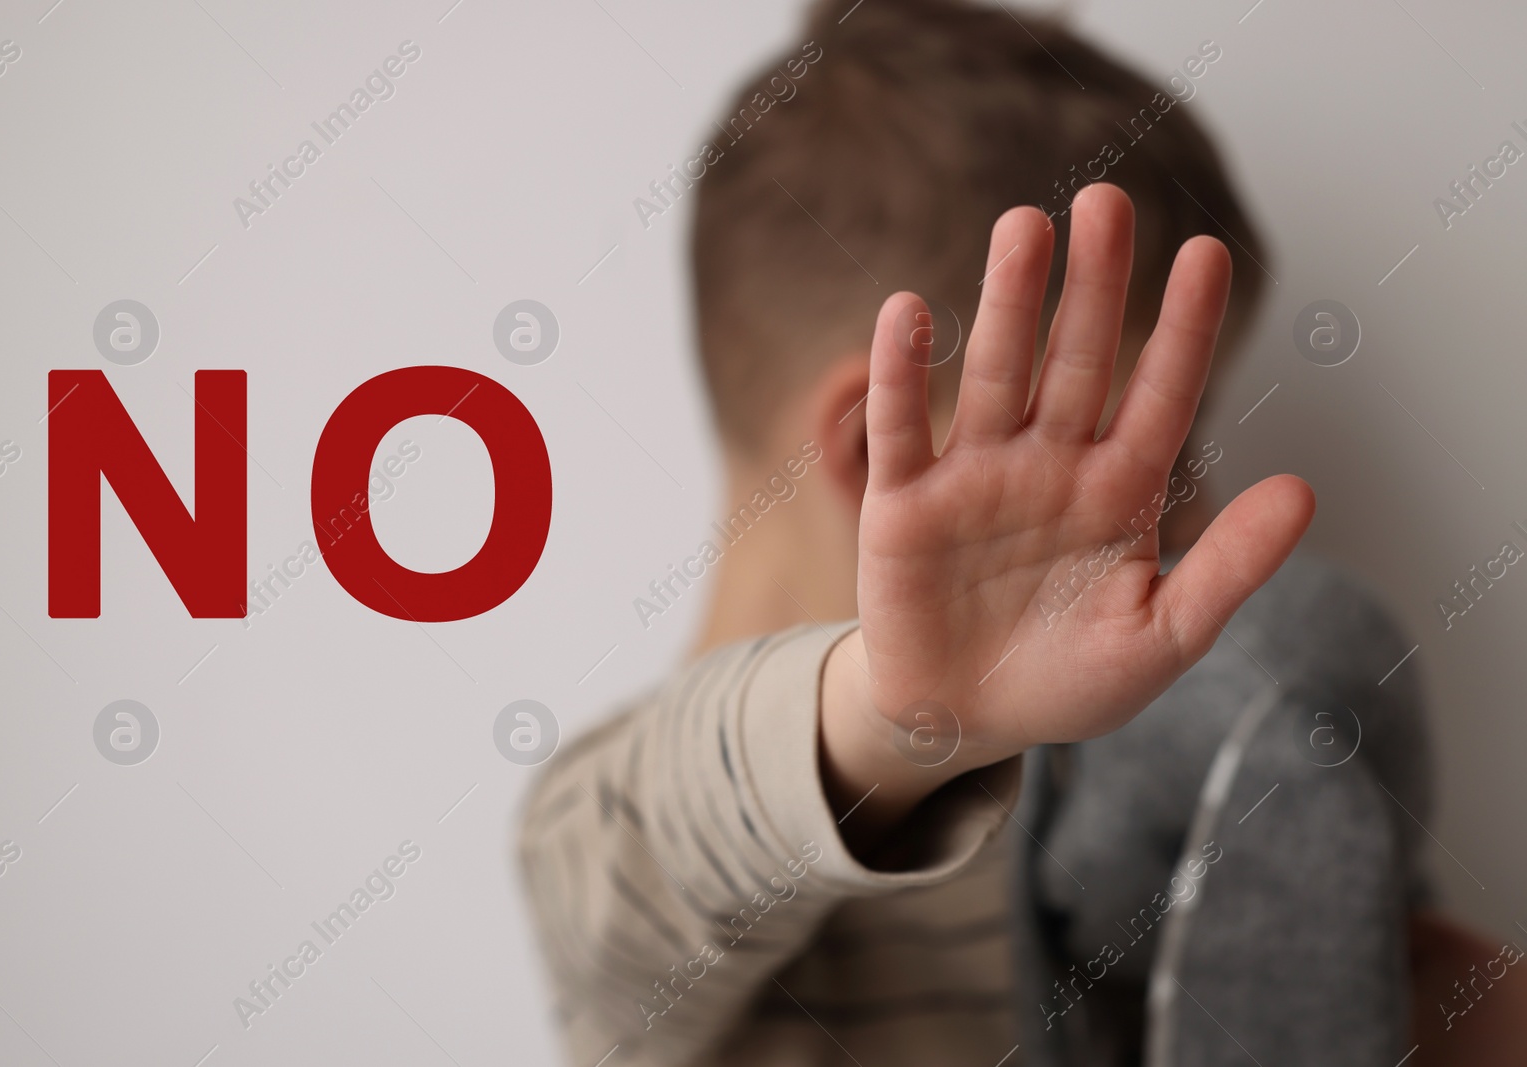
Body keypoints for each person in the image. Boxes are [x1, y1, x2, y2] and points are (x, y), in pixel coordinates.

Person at [517, 1, 1527, 1064]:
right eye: (1156, 460)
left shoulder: (1130, 787)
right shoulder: (605, 826)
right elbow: (668, 839)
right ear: (874, 450)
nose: (1194, 509)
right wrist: (900, 717)